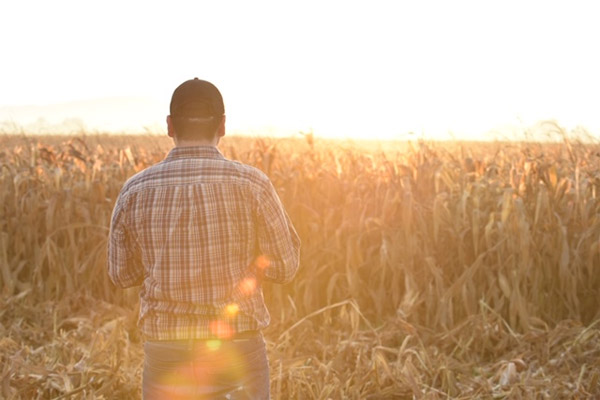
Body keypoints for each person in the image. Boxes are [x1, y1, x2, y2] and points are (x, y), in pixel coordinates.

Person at [107, 78, 300, 399]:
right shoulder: (252, 183)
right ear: (222, 125)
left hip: (166, 349)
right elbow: (285, 269)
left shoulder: (135, 189)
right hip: (236, 346)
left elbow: (121, 275)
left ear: (169, 126)